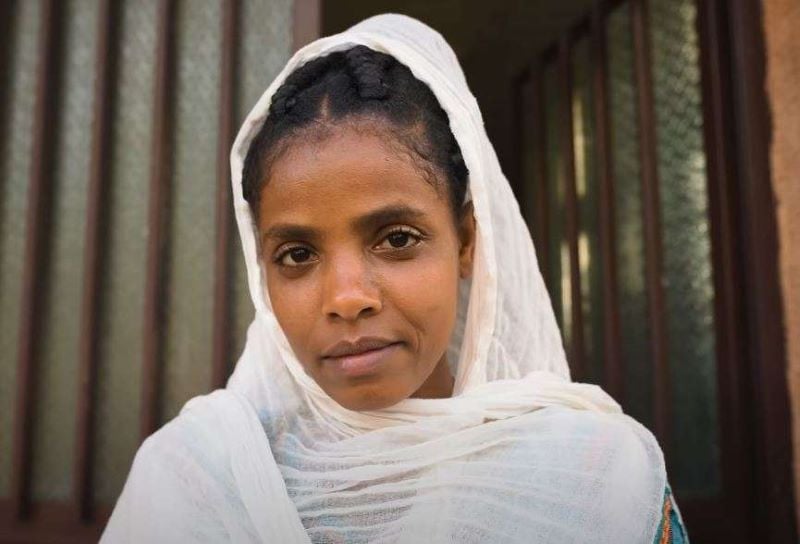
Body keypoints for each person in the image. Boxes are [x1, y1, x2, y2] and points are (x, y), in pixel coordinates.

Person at [102, 14, 687, 543]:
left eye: (397, 239)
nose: (347, 298)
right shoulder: (194, 478)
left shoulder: (593, 476)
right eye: (297, 254)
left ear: (466, 241)